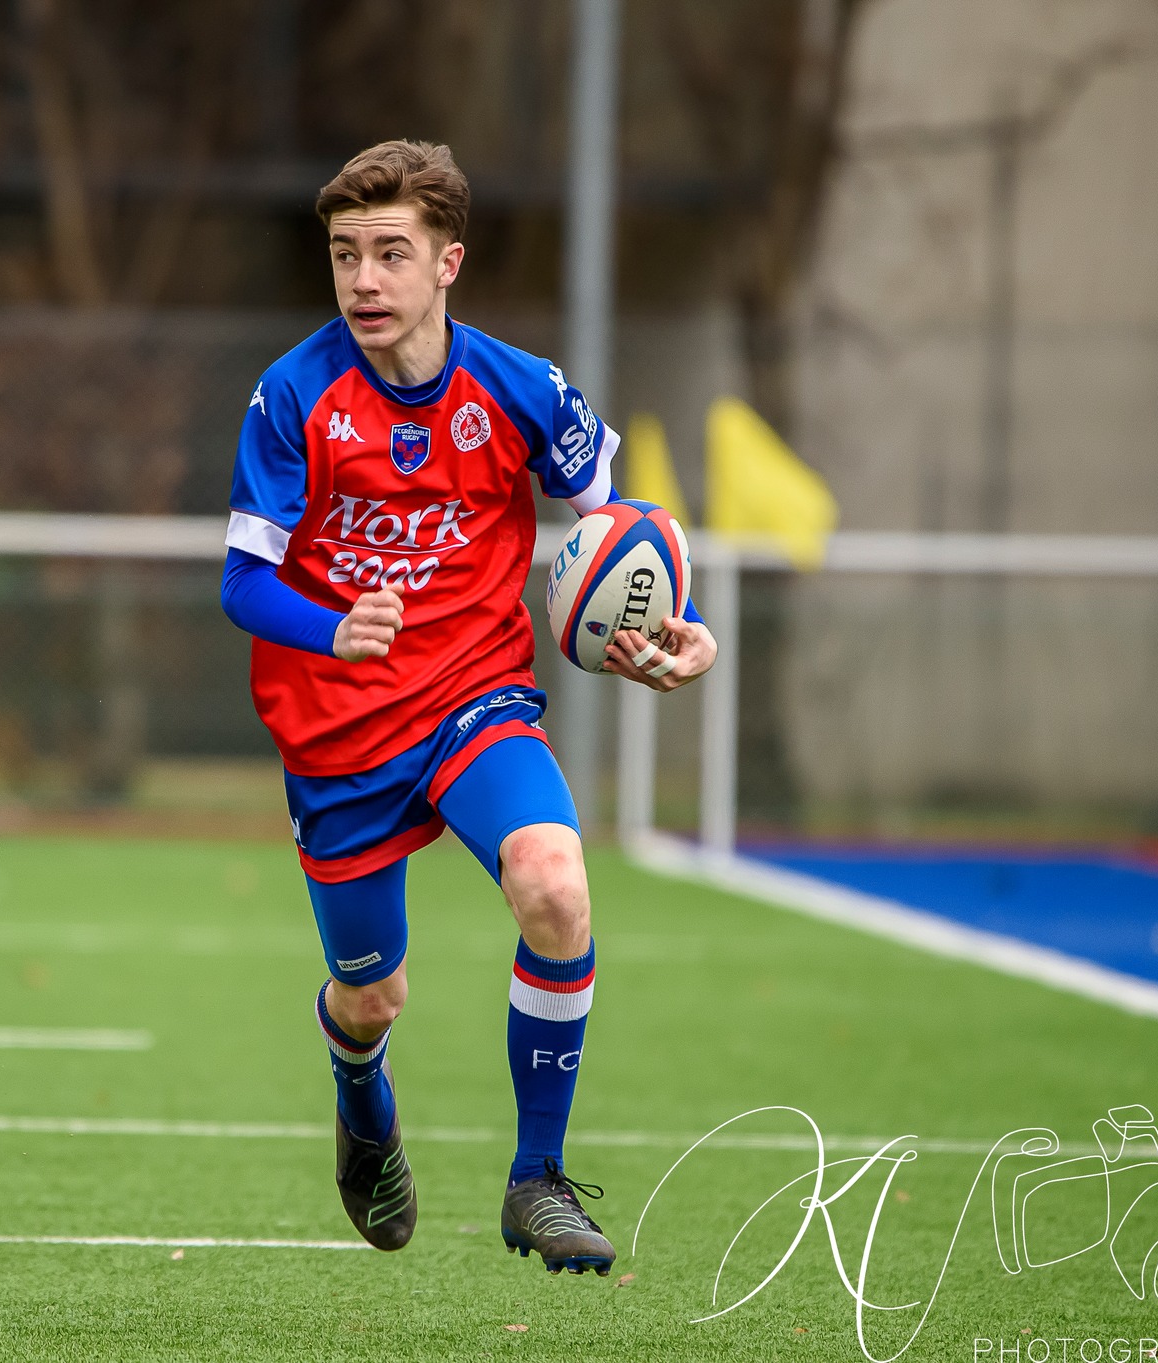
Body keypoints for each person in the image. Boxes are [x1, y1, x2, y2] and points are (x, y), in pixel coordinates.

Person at [218, 140, 716, 1274]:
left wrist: (672, 627)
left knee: (554, 883)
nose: (364, 280)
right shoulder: (292, 395)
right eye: (345, 253)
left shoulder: (522, 388)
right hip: (337, 732)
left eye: (391, 253)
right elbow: (243, 582)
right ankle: (359, 1089)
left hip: (473, 697)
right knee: (370, 995)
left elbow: (619, 527)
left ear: (448, 262)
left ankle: (537, 1178)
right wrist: (333, 627)